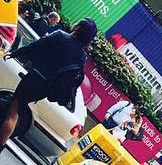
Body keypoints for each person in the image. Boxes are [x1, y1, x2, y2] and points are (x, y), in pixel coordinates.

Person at [0, 17, 97, 154]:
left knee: (13, 112)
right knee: (16, 107)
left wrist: (15, 53)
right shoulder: (82, 56)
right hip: (45, 89)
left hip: (34, 78)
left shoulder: (60, 36)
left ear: (78, 27)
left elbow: (35, 46)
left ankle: (1, 143)